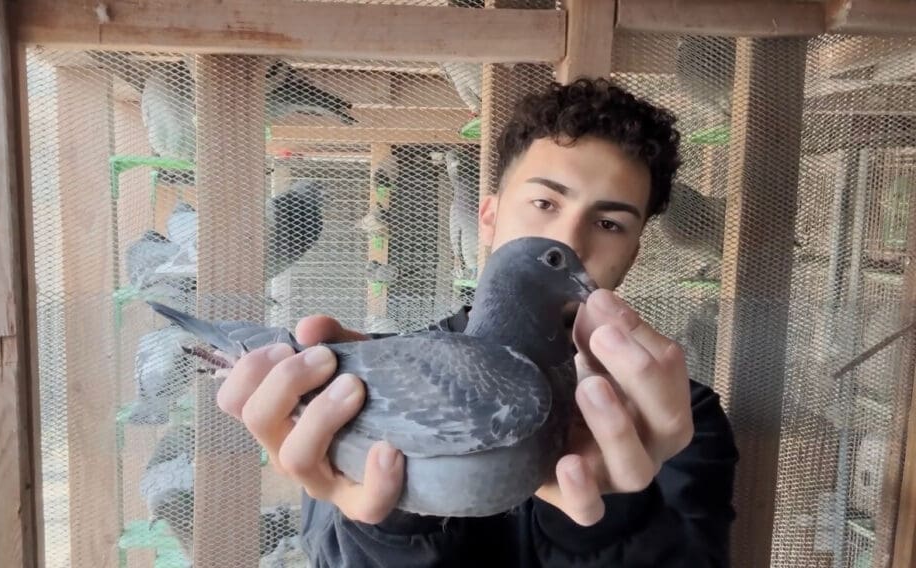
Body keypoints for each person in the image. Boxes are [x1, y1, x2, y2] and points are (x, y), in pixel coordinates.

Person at [215, 77, 739, 567]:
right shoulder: (369, 377)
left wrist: (608, 516)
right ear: (487, 218)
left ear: (634, 250)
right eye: (544, 202)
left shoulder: (683, 421)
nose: (569, 242)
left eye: (608, 223)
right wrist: (393, 501)